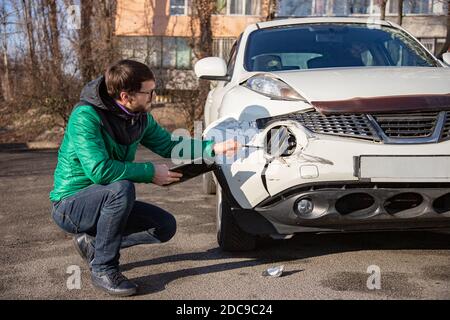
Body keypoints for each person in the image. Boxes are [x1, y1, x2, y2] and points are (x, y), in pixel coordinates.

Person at [49, 59, 239, 297]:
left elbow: (170, 144)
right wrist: (150, 173)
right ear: (126, 96)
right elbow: (99, 170)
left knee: (163, 227)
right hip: (70, 204)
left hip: (105, 199)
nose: (153, 97)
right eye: (148, 92)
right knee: (121, 189)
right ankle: (103, 268)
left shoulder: (138, 117)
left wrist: (213, 148)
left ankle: (94, 244)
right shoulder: (86, 117)